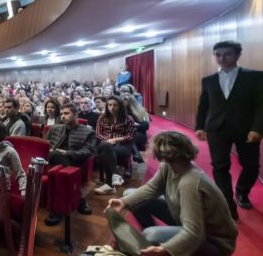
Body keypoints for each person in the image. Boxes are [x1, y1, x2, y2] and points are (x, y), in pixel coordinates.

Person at [107, 131, 238, 256]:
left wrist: (166, 248)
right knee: (129, 194)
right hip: (188, 222)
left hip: (214, 242)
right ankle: (154, 246)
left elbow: (194, 232)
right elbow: (151, 188)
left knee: (150, 234)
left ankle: (159, 245)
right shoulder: (169, 166)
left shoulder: (190, 182)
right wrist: (124, 202)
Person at [195, 40, 263, 219]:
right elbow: (203, 105)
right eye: (218, 55)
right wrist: (199, 126)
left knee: (251, 165)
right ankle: (227, 201)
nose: (222, 58)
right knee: (220, 166)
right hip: (217, 129)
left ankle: (241, 191)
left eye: (227, 54)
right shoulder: (208, 80)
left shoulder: (255, 76)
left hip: (246, 129)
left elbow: (260, 105)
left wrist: (258, 128)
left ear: (237, 55)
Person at [44, 103, 96, 225]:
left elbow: (89, 151)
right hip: (52, 161)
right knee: (54, 156)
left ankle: (57, 210)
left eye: (66, 113)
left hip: (74, 162)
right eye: (61, 114)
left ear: (75, 114)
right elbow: (45, 144)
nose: (63, 116)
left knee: (56, 157)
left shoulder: (88, 132)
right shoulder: (54, 129)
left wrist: (67, 153)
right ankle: (79, 198)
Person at [95, 95, 136, 195]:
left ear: (120, 106)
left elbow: (131, 135)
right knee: (106, 147)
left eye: (115, 105)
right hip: (105, 143)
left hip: (122, 145)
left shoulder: (128, 119)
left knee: (106, 153)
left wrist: (116, 139)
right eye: (109, 105)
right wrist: (109, 141)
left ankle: (109, 185)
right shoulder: (102, 117)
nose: (112, 108)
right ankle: (115, 174)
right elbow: (98, 133)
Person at [0, 120, 26, 195]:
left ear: (0, 135)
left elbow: (20, 173)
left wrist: (23, 191)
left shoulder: (9, 151)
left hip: (2, 190)